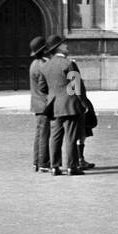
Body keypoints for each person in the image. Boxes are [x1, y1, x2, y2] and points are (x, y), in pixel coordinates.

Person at [42, 36, 86, 175]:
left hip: (54, 105)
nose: (67, 46)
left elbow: (42, 87)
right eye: (64, 44)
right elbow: (76, 86)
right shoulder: (68, 64)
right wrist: (83, 103)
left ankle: (54, 167)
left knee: (55, 137)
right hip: (70, 104)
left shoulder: (46, 66)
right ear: (59, 47)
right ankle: (71, 166)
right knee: (71, 137)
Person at [29, 36, 52, 173]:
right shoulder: (44, 65)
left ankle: (36, 162)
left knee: (39, 134)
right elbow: (44, 86)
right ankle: (44, 162)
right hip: (44, 103)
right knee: (44, 134)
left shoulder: (34, 64)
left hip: (36, 103)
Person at [71, 61, 96, 171]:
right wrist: (84, 104)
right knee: (81, 133)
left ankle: (77, 159)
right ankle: (79, 159)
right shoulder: (70, 66)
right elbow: (77, 89)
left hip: (67, 105)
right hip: (77, 105)